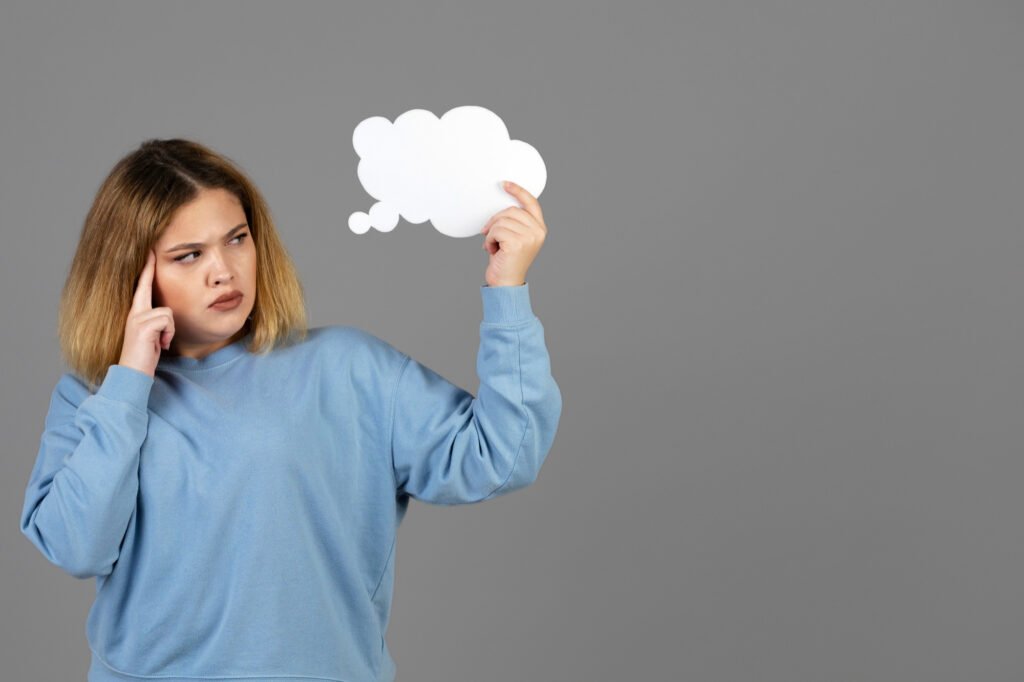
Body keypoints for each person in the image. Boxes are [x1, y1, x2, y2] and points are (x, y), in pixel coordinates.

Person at [19, 138, 562, 682]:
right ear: (131, 274)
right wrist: (129, 382)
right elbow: (75, 548)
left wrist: (506, 291)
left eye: (237, 240)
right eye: (189, 255)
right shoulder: (94, 397)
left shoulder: (346, 367)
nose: (224, 271)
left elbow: (502, 456)